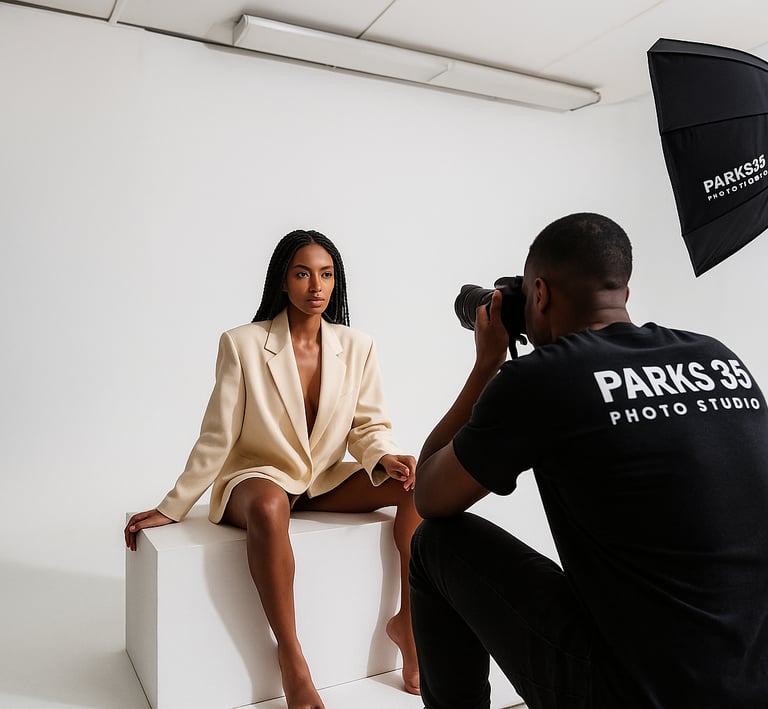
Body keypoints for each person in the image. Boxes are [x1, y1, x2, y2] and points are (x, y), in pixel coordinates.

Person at [409, 212, 768, 708]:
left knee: (434, 544)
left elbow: (428, 495)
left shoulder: (542, 378)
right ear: (622, 288)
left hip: (633, 695)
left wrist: (486, 365)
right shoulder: (720, 358)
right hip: (752, 686)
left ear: (539, 294)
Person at [124, 229, 421, 709]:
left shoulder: (357, 345)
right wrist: (173, 506)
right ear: (283, 281)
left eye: (326, 274)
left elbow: (369, 425)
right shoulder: (242, 344)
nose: (315, 286)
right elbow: (217, 435)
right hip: (257, 476)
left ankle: (407, 623)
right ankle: (292, 658)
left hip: (321, 480)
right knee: (268, 505)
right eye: (302, 274)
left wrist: (383, 455)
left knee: (414, 482)